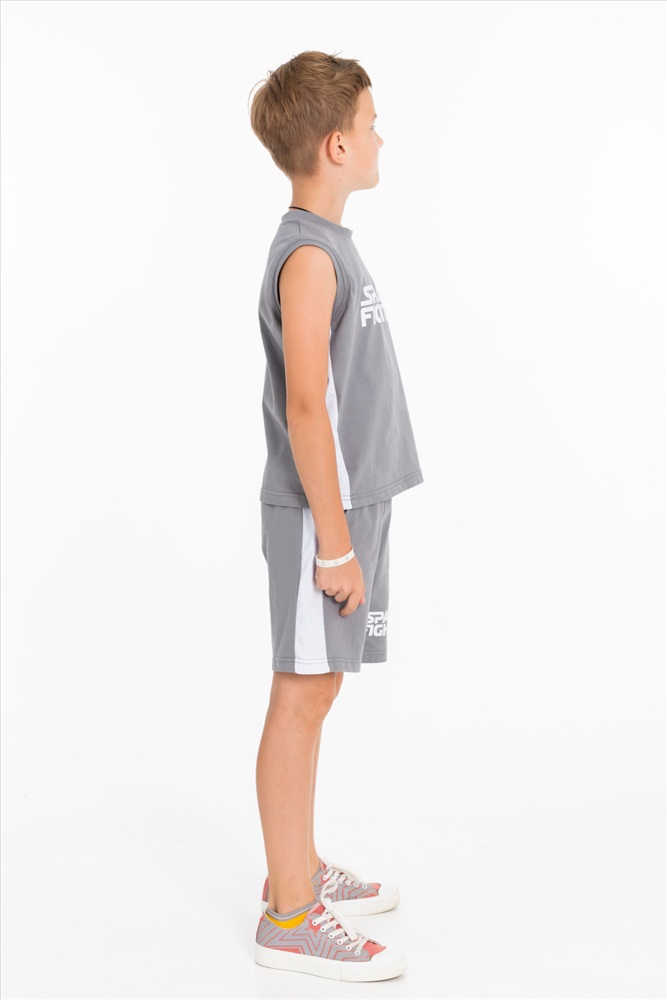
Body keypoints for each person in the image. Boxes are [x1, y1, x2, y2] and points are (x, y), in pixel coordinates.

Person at [248, 50, 424, 983]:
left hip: (350, 509)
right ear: (337, 144)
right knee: (301, 692)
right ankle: (288, 912)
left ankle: (301, 866)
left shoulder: (329, 243)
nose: (381, 136)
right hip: (326, 520)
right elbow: (308, 408)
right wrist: (335, 545)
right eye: (371, 122)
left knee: (319, 689)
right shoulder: (310, 256)